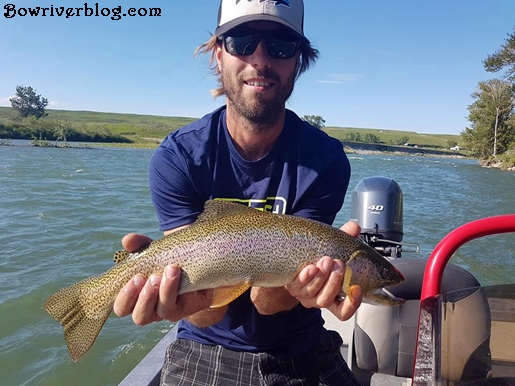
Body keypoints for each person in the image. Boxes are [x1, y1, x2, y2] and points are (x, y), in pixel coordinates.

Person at [114, 0, 364, 384]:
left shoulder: (325, 159)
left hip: (300, 344)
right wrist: (185, 300)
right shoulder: (178, 156)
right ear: (218, 54)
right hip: (204, 344)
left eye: (280, 44)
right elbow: (204, 313)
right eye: (242, 41)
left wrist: (306, 285)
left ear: (298, 60)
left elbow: (268, 303)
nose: (260, 59)